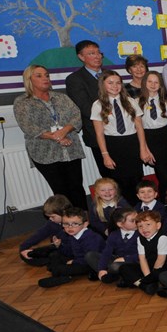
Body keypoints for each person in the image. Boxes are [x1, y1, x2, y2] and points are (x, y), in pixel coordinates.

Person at [14, 65, 87, 209]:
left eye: (47, 75)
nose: (45, 78)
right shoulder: (22, 102)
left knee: (77, 188)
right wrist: (57, 137)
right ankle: (67, 224)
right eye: (39, 76)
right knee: (61, 192)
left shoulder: (61, 97)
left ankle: (84, 221)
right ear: (29, 80)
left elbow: (76, 116)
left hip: (71, 150)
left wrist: (64, 131)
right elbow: (29, 127)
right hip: (45, 153)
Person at [91, 70, 154, 204]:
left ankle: (138, 207)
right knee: (119, 182)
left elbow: (139, 127)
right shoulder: (97, 105)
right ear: (103, 85)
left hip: (132, 143)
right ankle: (125, 210)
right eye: (110, 83)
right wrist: (105, 154)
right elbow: (99, 133)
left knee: (136, 179)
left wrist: (143, 149)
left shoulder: (130, 101)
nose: (115, 86)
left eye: (118, 83)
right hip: (113, 145)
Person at [65, 40, 108, 175]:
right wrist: (112, 117)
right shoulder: (75, 79)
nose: (97, 56)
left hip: (121, 131)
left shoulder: (110, 74)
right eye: (91, 53)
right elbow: (86, 108)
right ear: (81, 57)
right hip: (97, 132)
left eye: (98, 53)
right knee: (109, 174)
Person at [36, 207, 105, 288]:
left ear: (85, 224)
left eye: (75, 224)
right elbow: (70, 251)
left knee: (58, 268)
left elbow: (90, 258)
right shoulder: (73, 235)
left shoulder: (91, 238)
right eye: (66, 224)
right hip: (78, 259)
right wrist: (59, 245)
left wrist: (74, 262)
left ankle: (60, 275)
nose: (70, 227)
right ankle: (61, 275)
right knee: (54, 255)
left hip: (90, 264)